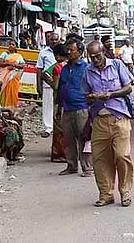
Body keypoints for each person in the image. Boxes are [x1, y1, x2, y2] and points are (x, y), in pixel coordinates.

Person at [82, 41, 134, 207]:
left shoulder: (117, 65)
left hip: (119, 117)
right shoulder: (87, 72)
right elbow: (86, 95)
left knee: (122, 155)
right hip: (99, 120)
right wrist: (91, 97)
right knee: (100, 159)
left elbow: (128, 88)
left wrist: (111, 94)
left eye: (98, 56)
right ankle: (106, 194)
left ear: (104, 52)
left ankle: (125, 192)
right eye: (92, 57)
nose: (95, 60)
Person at [57, 39, 92, 176]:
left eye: (72, 49)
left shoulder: (86, 68)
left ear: (80, 52)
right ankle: (71, 166)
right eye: (68, 50)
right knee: (68, 139)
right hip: (67, 108)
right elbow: (61, 87)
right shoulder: (65, 68)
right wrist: (59, 106)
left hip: (82, 107)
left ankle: (87, 167)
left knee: (84, 138)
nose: (69, 52)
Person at [44, 44, 68, 163]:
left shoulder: (57, 68)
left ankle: (60, 154)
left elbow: (56, 86)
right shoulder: (70, 65)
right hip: (70, 100)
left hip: (59, 100)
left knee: (59, 128)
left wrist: (48, 80)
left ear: (57, 56)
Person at [36, 32, 59, 138]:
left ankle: (58, 128)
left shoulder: (62, 51)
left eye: (55, 39)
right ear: (48, 40)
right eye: (51, 39)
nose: (53, 41)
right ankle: (48, 128)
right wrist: (39, 85)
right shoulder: (43, 52)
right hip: (47, 84)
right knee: (47, 106)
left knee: (59, 107)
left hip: (59, 84)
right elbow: (39, 70)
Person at [0, 39, 25, 108]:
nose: (11, 46)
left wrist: (15, 65)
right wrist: (9, 63)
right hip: (4, 76)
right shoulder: (4, 54)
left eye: (13, 44)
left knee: (13, 92)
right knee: (3, 90)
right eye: (10, 44)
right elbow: (0, 64)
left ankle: (12, 107)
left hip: (14, 76)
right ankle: (2, 107)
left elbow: (22, 65)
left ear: (16, 47)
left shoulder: (19, 56)